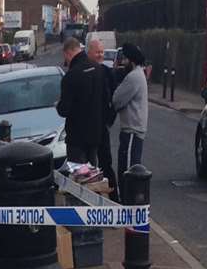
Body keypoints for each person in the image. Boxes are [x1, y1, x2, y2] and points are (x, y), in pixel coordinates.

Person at [57, 34, 104, 164]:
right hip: (95, 134)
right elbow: (105, 99)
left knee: (79, 175)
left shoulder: (71, 76)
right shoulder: (98, 69)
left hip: (77, 137)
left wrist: (58, 105)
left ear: (68, 53)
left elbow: (64, 110)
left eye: (65, 56)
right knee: (93, 175)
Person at [111, 42, 149, 194]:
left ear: (131, 61)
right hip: (134, 130)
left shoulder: (133, 77)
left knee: (127, 172)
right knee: (130, 169)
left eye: (125, 60)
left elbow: (116, 99)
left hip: (131, 131)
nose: (123, 63)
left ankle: (127, 203)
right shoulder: (139, 74)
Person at [87, 35, 117, 191]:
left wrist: (109, 119)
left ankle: (114, 198)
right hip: (87, 128)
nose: (100, 55)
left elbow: (115, 97)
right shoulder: (84, 72)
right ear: (89, 53)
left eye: (102, 52)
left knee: (106, 163)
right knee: (88, 168)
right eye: (97, 52)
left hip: (102, 126)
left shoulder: (107, 72)